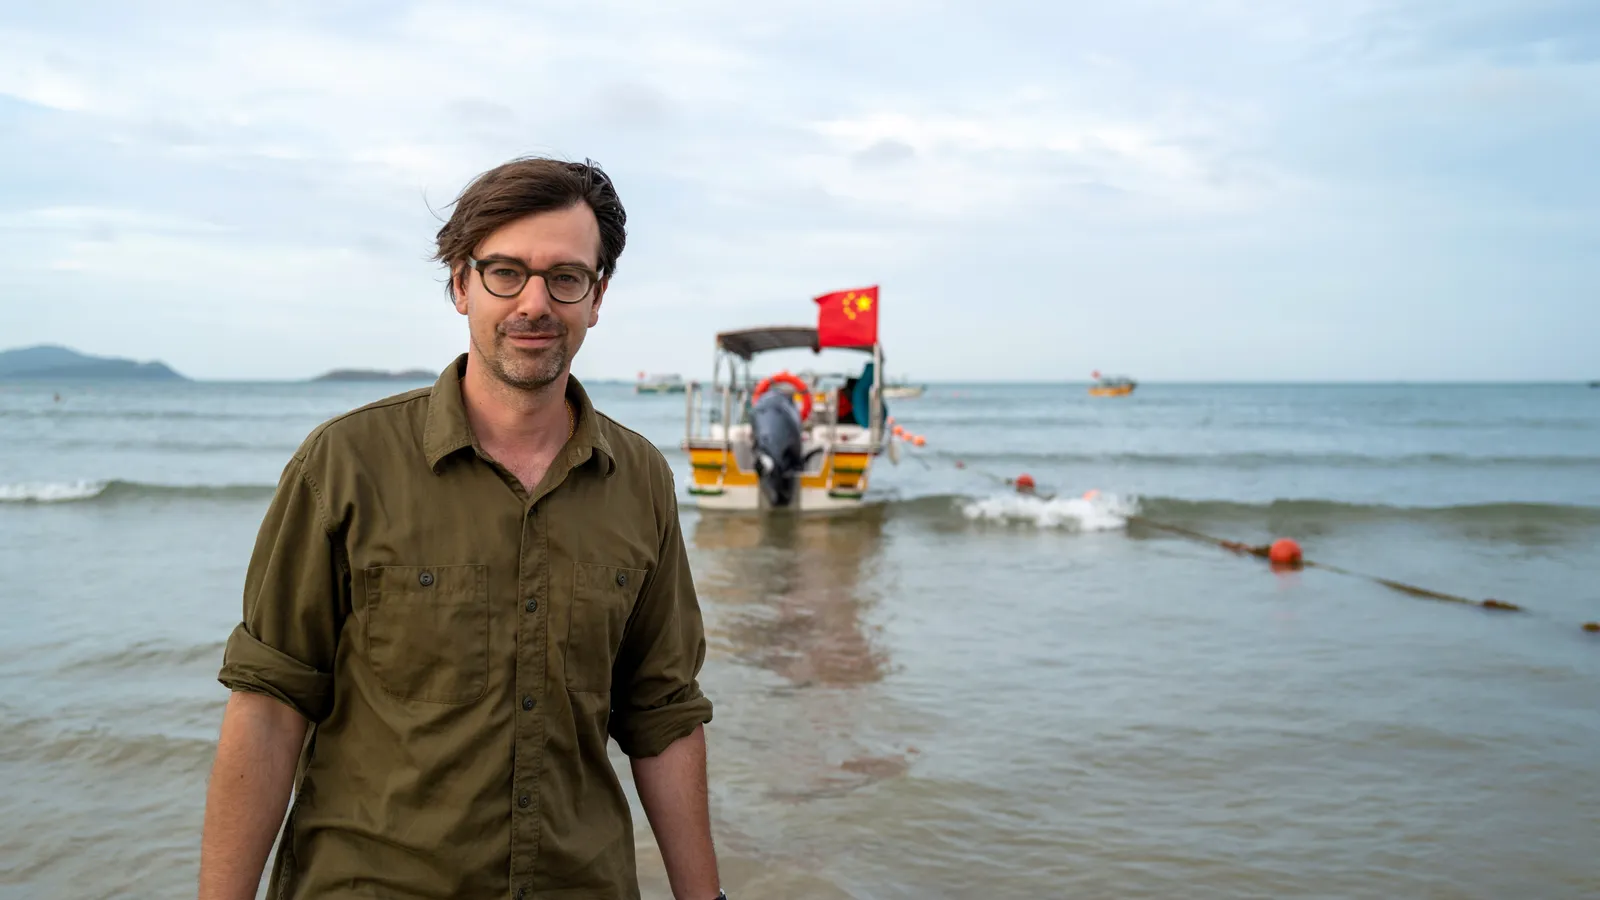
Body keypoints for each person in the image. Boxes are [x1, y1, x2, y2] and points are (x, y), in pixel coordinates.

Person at [198, 158, 723, 900]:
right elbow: (270, 704)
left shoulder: (641, 481)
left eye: (566, 277)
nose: (535, 303)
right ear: (460, 284)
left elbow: (663, 717)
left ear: (597, 297)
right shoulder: (344, 464)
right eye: (505, 272)